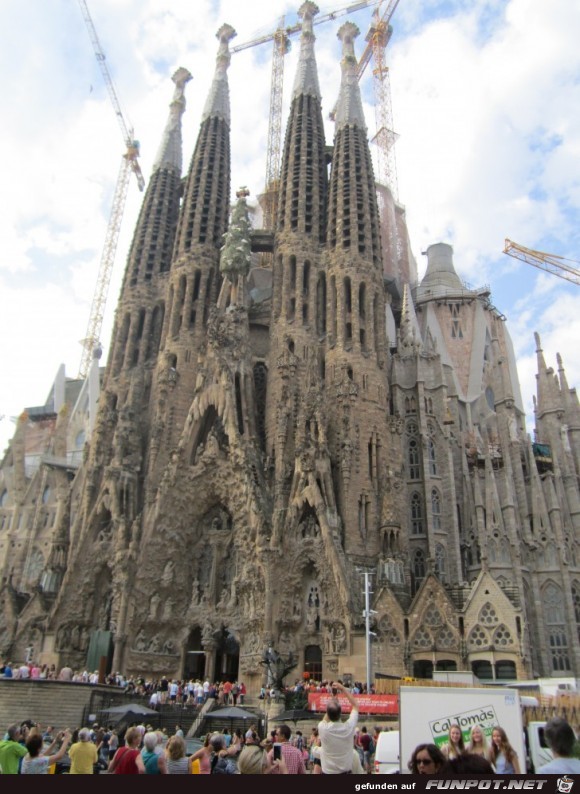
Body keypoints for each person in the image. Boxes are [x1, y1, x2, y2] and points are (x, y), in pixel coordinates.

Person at [317, 680, 359, 774]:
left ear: (327, 712)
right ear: (340, 714)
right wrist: (343, 689)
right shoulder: (348, 727)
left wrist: (333, 701)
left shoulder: (323, 728)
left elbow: (325, 719)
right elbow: (355, 705)